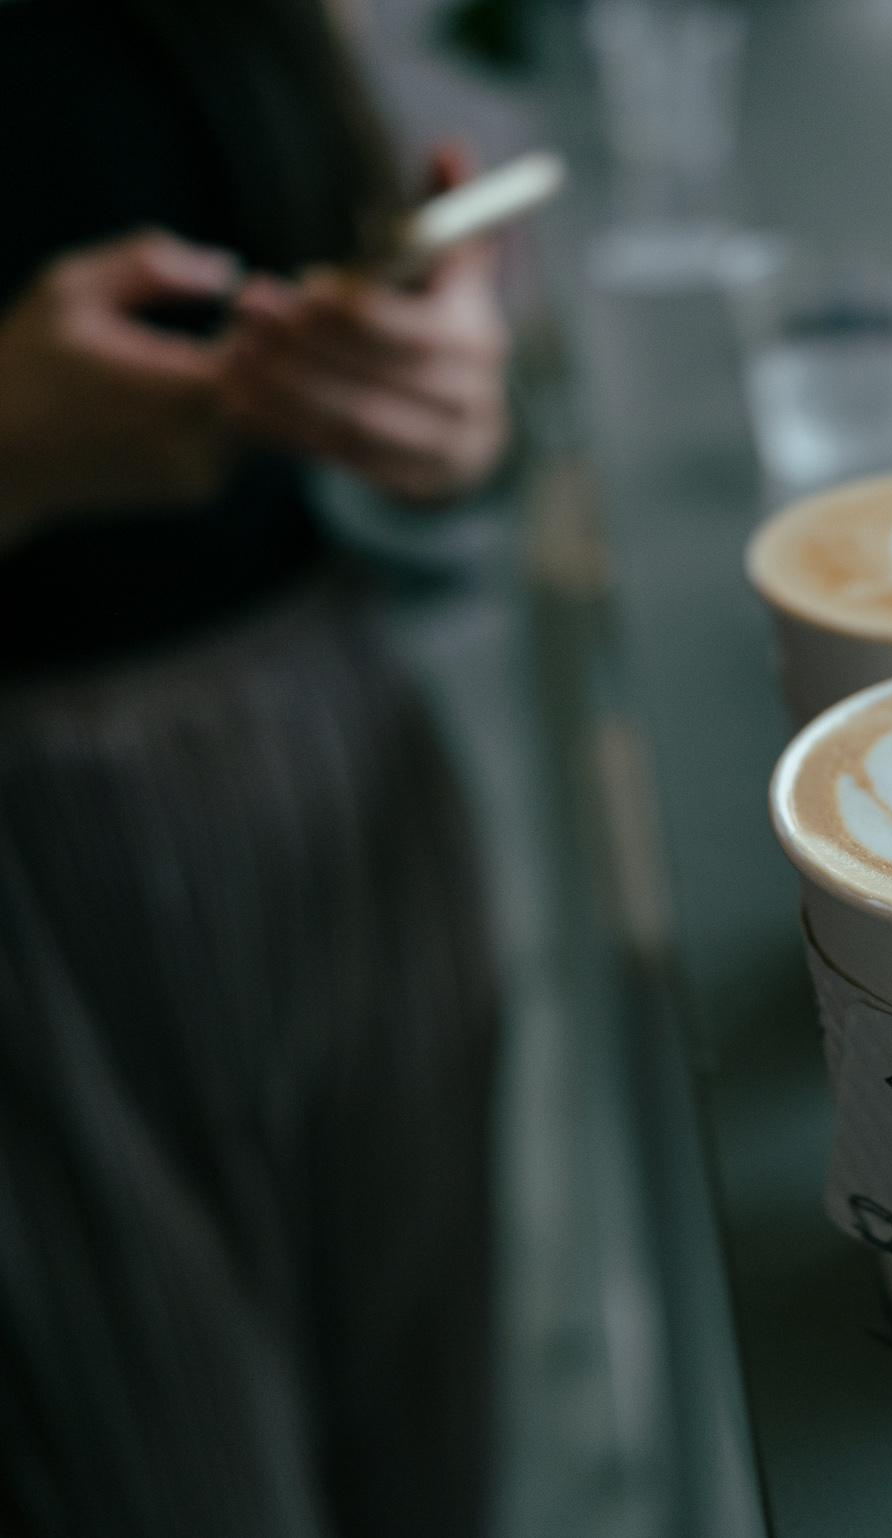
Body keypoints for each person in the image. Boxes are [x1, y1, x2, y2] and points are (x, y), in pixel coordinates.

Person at [0, 1, 509, 1534]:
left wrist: (439, 393)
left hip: (329, 768)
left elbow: (332, 239)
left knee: (426, 1466)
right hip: (34, 906)